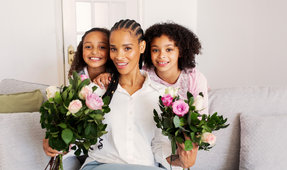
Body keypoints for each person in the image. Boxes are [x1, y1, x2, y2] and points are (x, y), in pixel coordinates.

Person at [81, 19, 198, 170]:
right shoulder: (97, 90)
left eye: (127, 48)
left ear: (142, 46)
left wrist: (182, 161)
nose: (119, 56)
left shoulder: (162, 96)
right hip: (101, 165)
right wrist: (57, 144)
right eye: (113, 49)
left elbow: (160, 147)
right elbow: (77, 136)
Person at [42, 27, 113, 158]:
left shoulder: (115, 80)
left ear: (111, 51)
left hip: (107, 149)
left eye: (102, 47)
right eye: (88, 47)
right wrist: (50, 137)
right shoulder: (75, 81)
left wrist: (111, 77)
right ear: (81, 50)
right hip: (80, 149)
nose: (95, 52)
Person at [143, 22, 208, 115]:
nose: (162, 56)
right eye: (155, 50)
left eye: (169, 49)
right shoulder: (142, 74)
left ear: (180, 52)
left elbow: (201, 120)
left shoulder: (195, 79)